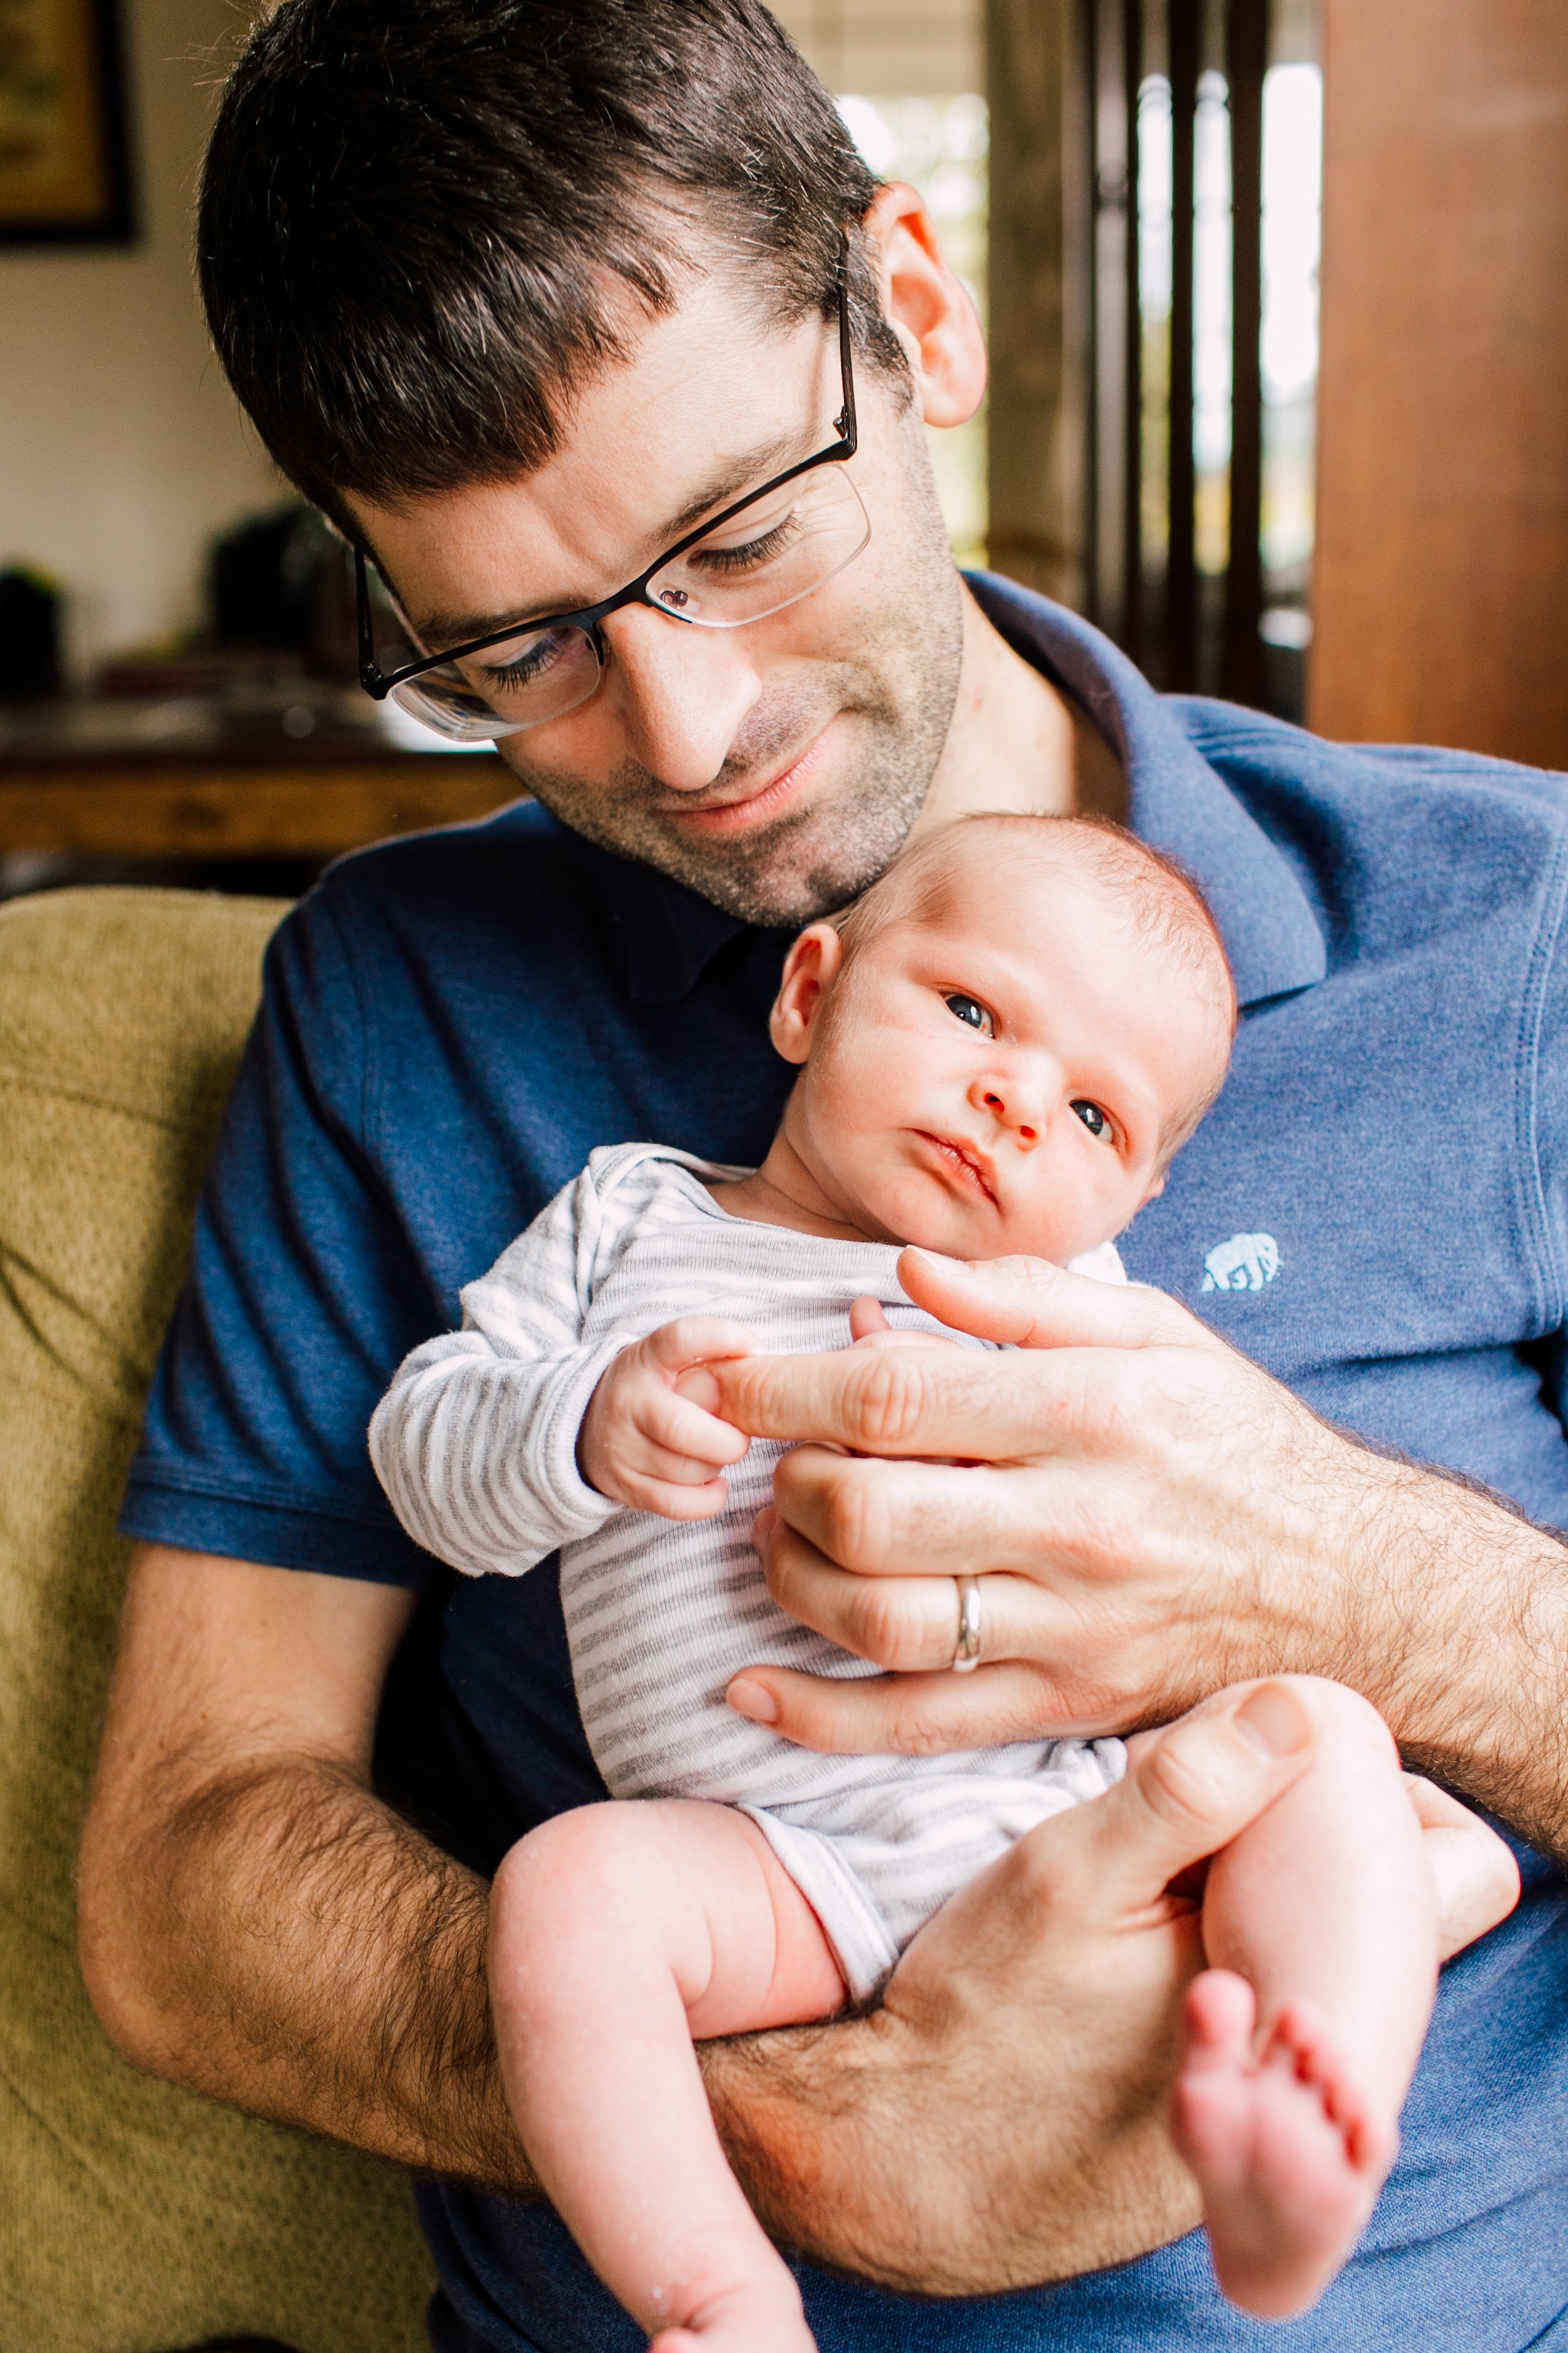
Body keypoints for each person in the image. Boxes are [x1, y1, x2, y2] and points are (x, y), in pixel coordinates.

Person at [73, 3, 1568, 2349]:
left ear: (921, 314)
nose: (690, 736)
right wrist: (821, 2115)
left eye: (740, 539)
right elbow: (183, 1877)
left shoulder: (1518, 928)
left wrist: (1364, 1584)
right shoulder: (403, 998)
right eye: (518, 651)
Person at [368, 811, 1516, 2346]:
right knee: (567, 1896)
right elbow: (421, 1449)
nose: (1012, 1102)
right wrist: (574, 1422)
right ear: (810, 990)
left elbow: (1196, 1541)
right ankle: (712, 2294)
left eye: (1097, 1119)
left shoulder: (1077, 1311)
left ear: (1130, 1207)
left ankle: (1308, 2097)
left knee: (1316, 1740)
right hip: (780, 1858)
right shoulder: (627, 1219)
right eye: (974, 1013)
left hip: (1069, 1804)